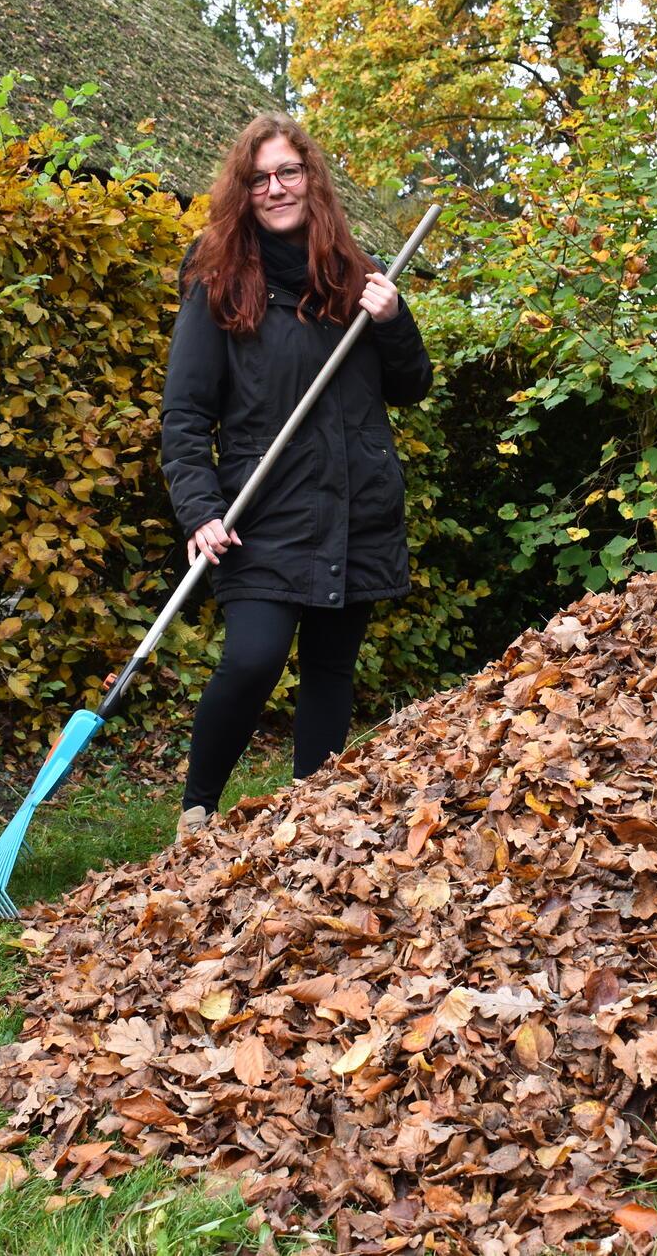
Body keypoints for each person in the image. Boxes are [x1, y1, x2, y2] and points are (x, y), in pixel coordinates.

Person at [158, 113, 433, 841]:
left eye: (289, 172)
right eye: (260, 179)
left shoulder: (356, 270)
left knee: (330, 671)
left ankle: (315, 824)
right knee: (251, 659)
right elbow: (186, 414)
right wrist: (199, 509)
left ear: (312, 178)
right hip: (264, 509)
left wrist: (393, 320)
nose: (277, 188)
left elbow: (411, 386)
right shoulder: (218, 279)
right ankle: (197, 814)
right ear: (244, 192)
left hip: (355, 503)